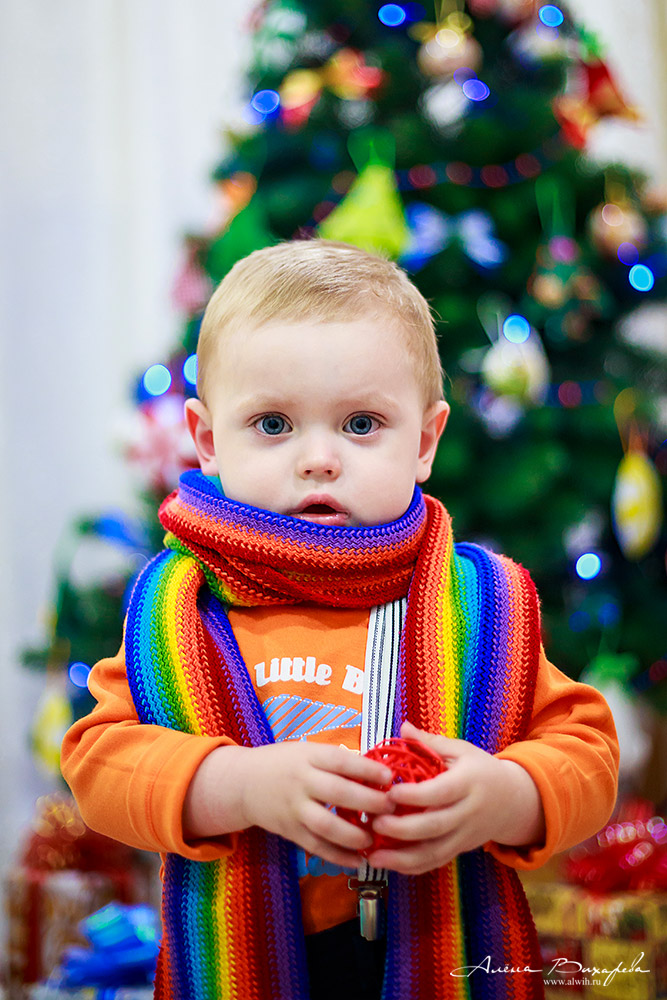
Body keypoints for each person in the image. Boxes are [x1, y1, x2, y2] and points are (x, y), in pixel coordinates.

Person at [62, 239, 618, 1000]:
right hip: (239, 961)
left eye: (360, 424)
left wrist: (506, 795)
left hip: (434, 948)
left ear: (424, 442)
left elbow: (585, 752)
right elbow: (97, 762)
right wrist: (235, 785)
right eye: (271, 424)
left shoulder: (479, 607)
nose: (318, 458)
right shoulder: (181, 609)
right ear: (206, 440)